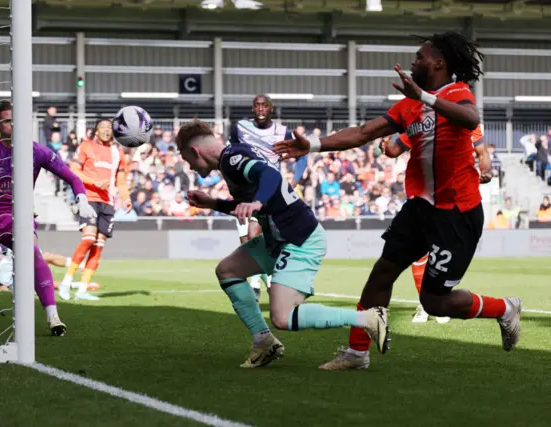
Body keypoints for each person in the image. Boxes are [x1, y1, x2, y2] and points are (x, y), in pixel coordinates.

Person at [274, 31, 522, 371]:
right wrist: (314, 147)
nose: (413, 61)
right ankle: (357, 353)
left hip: (457, 213)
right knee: (382, 273)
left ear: (439, 63)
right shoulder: (409, 106)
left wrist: (424, 96)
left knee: (435, 302)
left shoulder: (456, 93)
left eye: (420, 56)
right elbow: (363, 133)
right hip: (421, 207)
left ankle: (506, 309)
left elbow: (471, 119)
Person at [176, 121, 388, 369]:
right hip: (277, 239)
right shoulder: (231, 159)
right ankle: (264, 342)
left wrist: (255, 203)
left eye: (188, 160)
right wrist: (214, 203)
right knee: (228, 270)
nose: (190, 167)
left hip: (299, 237)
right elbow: (254, 202)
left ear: (195, 151)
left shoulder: (232, 158)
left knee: (283, 316)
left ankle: (369, 318)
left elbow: (271, 176)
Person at [0, 101, 97, 336]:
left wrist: (82, 198)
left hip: (19, 217)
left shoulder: (36, 151)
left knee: (33, 254)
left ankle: (53, 316)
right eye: (7, 120)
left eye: (16, 119)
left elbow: (72, 178)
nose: (13, 124)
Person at [382, 125, 492, 324]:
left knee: (441, 257)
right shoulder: (424, 121)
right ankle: (424, 306)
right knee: (415, 257)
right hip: (422, 197)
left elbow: (482, 152)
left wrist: (486, 171)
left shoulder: (468, 124)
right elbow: (393, 149)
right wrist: (388, 144)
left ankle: (437, 302)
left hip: (452, 202)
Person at [227, 94, 308, 300]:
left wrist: (294, 182)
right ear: (252, 109)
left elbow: (302, 157)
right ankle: (268, 279)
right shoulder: (240, 128)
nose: (261, 109)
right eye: (257, 106)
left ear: (272, 108)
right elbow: (229, 154)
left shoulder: (282, 132)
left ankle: (258, 282)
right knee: (247, 240)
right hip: (245, 191)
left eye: (265, 106)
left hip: (269, 190)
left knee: (257, 235)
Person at [59, 119, 132, 301]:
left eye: (109, 128)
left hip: (108, 202)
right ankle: (66, 283)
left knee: (98, 248)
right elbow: (74, 170)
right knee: (88, 239)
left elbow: (120, 180)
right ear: (96, 131)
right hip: (89, 199)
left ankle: (82, 290)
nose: (107, 131)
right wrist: (94, 182)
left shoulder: (117, 152)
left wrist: (126, 197)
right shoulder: (86, 146)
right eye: (103, 128)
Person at [0, 247, 100, 293]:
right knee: (38, 282)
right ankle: (77, 285)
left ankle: (79, 265)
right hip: (9, 279)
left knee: (41, 255)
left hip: (11, 263)